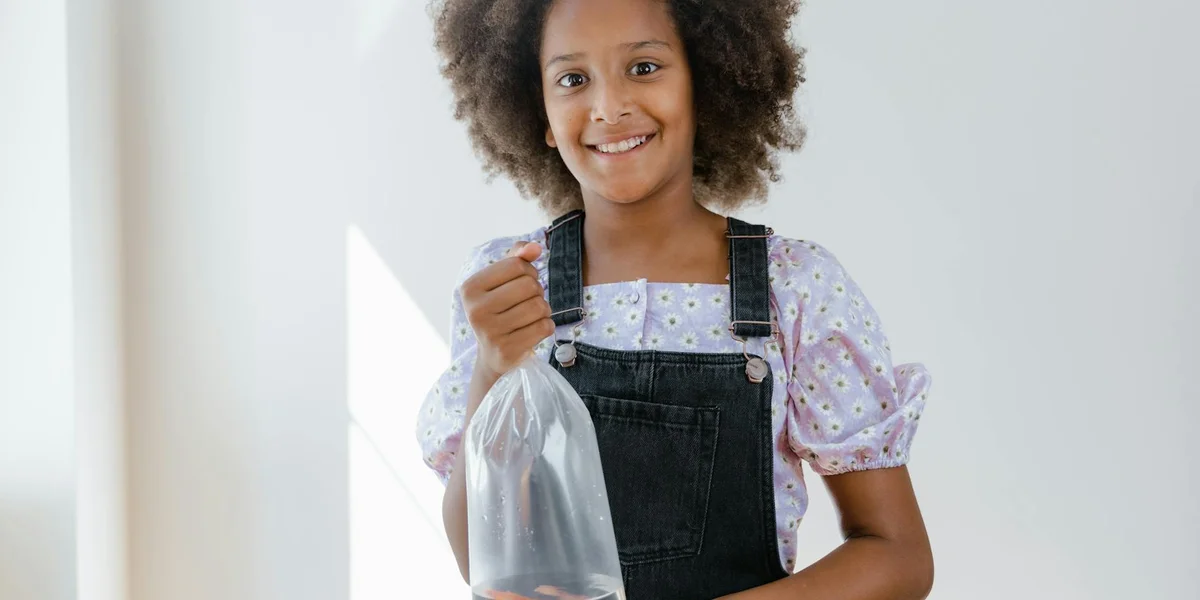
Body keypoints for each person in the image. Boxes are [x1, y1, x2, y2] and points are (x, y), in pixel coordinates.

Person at [416, 0, 935, 598]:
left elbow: (897, 555)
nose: (609, 107)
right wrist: (492, 367)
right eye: (572, 79)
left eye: (643, 68)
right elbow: (481, 558)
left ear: (705, 84)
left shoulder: (793, 285)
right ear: (540, 114)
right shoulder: (507, 282)